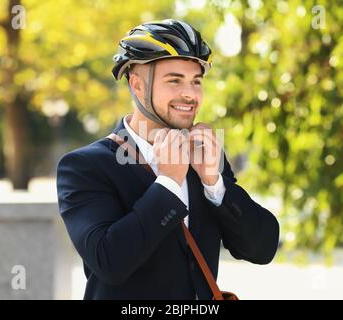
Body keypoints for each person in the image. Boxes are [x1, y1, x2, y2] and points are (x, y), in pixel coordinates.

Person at [56, 19, 279, 300]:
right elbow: (110, 262)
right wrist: (169, 183)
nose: (190, 93)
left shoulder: (204, 156)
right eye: (174, 80)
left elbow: (262, 249)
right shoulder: (84, 167)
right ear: (137, 85)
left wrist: (215, 185)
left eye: (196, 82)